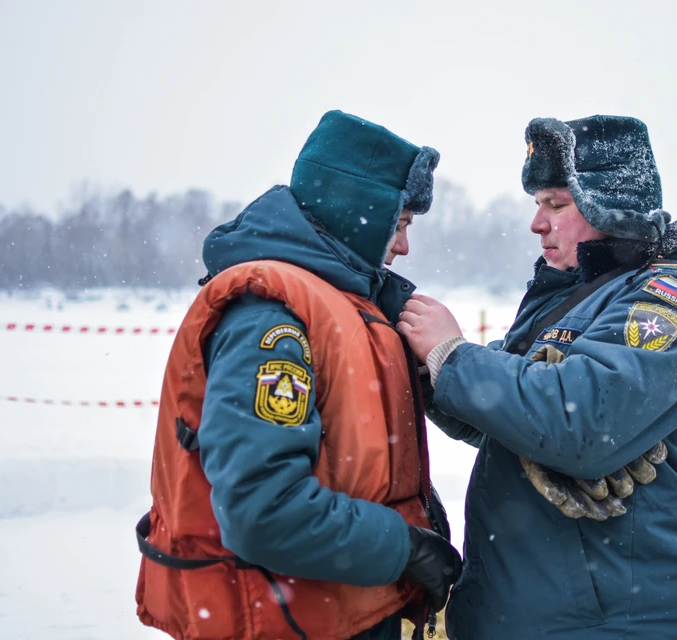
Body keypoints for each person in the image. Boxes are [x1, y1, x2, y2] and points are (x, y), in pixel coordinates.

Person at [398, 115, 677, 639]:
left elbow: (583, 426)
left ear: (610, 208)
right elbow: (506, 418)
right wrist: (427, 372)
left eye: (557, 204)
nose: (538, 223)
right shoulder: (573, 297)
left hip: (614, 622)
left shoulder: (664, 301)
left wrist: (454, 356)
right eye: (537, 205)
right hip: (529, 612)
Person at [135, 110, 462, 640]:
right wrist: (403, 547)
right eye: (399, 226)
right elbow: (263, 509)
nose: (403, 247)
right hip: (283, 622)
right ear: (360, 212)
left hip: (330, 614)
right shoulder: (272, 319)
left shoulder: (343, 307)